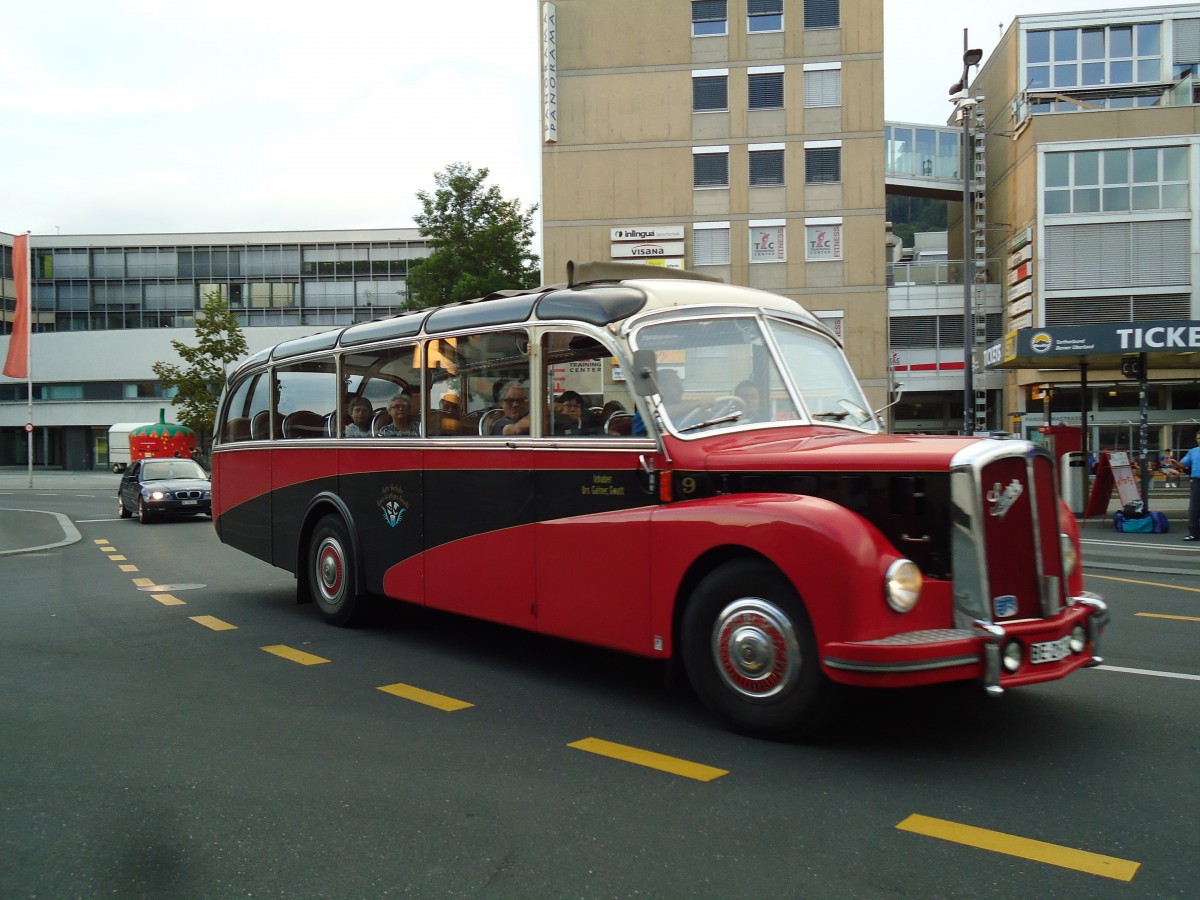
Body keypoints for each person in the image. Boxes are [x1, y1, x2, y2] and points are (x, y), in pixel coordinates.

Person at [1178, 430, 1200, 540]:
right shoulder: (1193, 451)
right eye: (1198, 438)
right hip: (1197, 480)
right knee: (1194, 508)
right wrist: (1176, 464)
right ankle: (1194, 532)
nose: (1199, 440)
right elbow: (1184, 463)